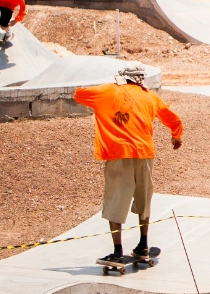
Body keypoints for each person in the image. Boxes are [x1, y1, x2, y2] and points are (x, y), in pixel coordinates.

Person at [73, 66, 183, 266]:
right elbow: (173, 118)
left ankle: (117, 251)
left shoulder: (107, 91)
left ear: (122, 79)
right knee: (144, 200)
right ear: (141, 80)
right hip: (145, 153)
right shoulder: (150, 96)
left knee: (116, 201)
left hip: (118, 154)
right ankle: (143, 245)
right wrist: (176, 136)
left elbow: (78, 94)